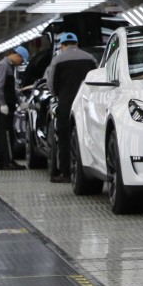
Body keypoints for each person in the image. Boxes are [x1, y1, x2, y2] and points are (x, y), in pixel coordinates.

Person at [45, 33, 97, 183]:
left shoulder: (57, 60)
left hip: (66, 104)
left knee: (64, 138)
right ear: (77, 43)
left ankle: (67, 173)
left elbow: (51, 84)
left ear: (62, 45)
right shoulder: (90, 58)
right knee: (88, 137)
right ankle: (90, 171)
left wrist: (59, 95)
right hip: (87, 104)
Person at [0, 45, 29, 171]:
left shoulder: (8, 66)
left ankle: (1, 163)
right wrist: (2, 104)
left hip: (7, 105)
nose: (21, 63)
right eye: (22, 60)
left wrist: (19, 101)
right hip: (3, 107)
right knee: (7, 134)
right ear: (17, 55)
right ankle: (8, 162)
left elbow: (11, 88)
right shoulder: (4, 65)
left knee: (3, 134)